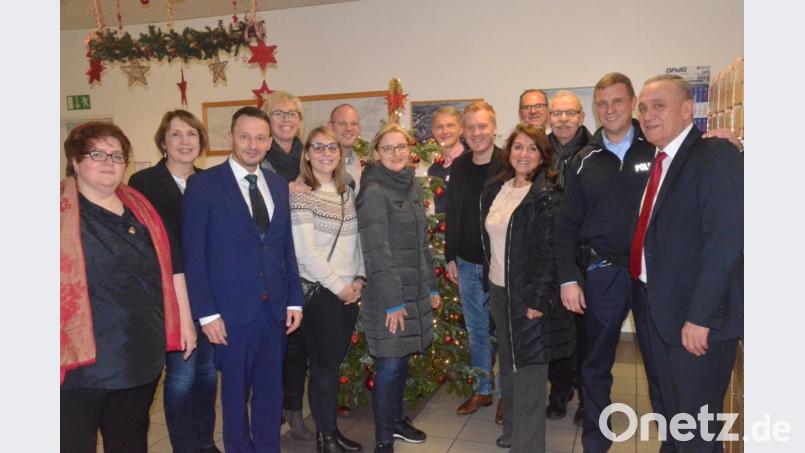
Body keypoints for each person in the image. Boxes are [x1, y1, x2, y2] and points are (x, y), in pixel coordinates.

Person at [60, 121, 194, 453]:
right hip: (80, 362)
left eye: (117, 155)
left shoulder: (142, 208)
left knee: (130, 440)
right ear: (76, 161)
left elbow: (173, 267)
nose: (109, 162)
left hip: (138, 355)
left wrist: (185, 322)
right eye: (97, 154)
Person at [182, 106, 305, 452]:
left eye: (260, 138)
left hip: (274, 310)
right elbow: (194, 255)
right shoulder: (204, 185)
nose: (253, 144)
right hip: (230, 314)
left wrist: (295, 298)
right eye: (245, 136)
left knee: (270, 393)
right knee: (235, 398)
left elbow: (285, 248)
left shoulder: (279, 186)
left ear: (269, 143)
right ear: (231, 138)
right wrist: (206, 313)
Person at [632, 74, 743, 452]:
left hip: (696, 323)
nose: (648, 115)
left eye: (658, 105)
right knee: (672, 416)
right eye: (643, 108)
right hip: (660, 312)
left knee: (697, 429)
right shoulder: (662, 159)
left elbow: (725, 243)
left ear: (686, 110)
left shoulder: (715, 155)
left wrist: (701, 317)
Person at [554, 73, 664, 450]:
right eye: (602, 103)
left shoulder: (658, 149)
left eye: (617, 101)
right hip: (603, 272)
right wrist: (569, 278)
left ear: (632, 102)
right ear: (595, 109)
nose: (610, 109)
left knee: (660, 363)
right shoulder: (584, 161)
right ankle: (597, 441)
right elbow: (566, 224)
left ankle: (674, 440)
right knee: (595, 365)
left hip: (653, 275)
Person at [128, 110, 221, 453]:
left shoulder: (208, 182)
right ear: (163, 143)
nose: (185, 141)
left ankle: (205, 441)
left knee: (208, 374)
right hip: (168, 295)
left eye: (191, 134)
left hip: (207, 294)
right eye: (176, 135)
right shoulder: (144, 184)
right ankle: (184, 446)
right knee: (182, 377)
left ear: (201, 142)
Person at [480, 123, 575, 452]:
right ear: (509, 152)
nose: (524, 154)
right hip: (498, 290)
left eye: (532, 148)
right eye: (518, 147)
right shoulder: (498, 189)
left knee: (532, 372)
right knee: (508, 365)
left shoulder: (547, 196)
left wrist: (538, 299)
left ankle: (529, 445)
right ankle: (512, 432)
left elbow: (551, 252)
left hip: (529, 295)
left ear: (542, 157)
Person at [356, 123, 441, 453]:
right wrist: (393, 301)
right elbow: (376, 251)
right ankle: (383, 440)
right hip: (388, 295)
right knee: (390, 365)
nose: (396, 153)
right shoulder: (374, 191)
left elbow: (422, 245)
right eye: (388, 148)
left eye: (401, 147)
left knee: (402, 360)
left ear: (409, 151)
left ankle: (395, 421)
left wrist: (431, 287)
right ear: (376, 154)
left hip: (414, 290)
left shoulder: (412, 187)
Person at [290, 126, 365, 453]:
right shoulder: (300, 193)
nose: (325, 153)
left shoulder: (345, 189)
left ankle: (330, 431)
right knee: (323, 369)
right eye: (318, 148)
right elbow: (305, 253)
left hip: (348, 291)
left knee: (332, 366)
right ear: (307, 153)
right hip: (323, 294)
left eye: (331, 147)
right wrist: (340, 288)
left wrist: (360, 278)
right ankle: (326, 439)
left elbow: (355, 239)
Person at [261, 90, 316, 441]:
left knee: (299, 346)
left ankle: (294, 411)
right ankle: (272, 410)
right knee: (272, 343)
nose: (285, 119)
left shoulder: (310, 159)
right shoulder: (258, 159)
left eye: (292, 114)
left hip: (308, 263)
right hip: (272, 264)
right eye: (278, 113)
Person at [444, 101, 503, 420]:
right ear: (464, 132)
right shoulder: (462, 164)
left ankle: (507, 395)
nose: (477, 133)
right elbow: (453, 212)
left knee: (505, 333)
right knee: (477, 331)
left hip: (500, 265)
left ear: (494, 127)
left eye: (482, 126)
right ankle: (483, 390)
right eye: (471, 127)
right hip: (466, 262)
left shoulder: (510, 162)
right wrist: (450, 255)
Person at [544, 89, 592, 422]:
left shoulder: (598, 150)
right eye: (557, 113)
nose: (563, 119)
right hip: (549, 256)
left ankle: (587, 397)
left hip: (588, 256)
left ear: (581, 117)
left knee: (588, 332)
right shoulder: (537, 151)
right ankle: (559, 390)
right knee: (556, 331)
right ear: (549, 117)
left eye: (570, 113)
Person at [426, 106, 466, 214]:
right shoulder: (433, 170)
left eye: (450, 125)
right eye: (439, 127)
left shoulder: (472, 162)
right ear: (433, 132)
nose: (445, 131)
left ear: (461, 129)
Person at [329, 104, 364, 191]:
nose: (349, 128)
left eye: (354, 123)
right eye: (342, 123)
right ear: (330, 127)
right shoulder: (319, 164)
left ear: (359, 129)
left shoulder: (365, 166)